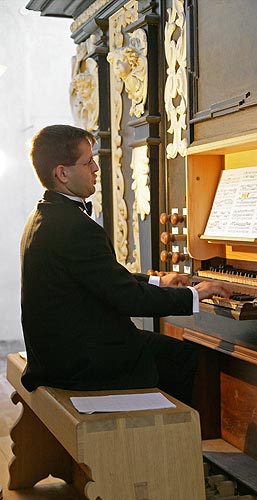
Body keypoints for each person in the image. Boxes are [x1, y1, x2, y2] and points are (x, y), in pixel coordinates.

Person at [20, 125, 231, 405]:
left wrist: (158, 281)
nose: (96, 168)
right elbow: (127, 298)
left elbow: (103, 278)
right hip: (79, 363)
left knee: (162, 349)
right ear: (62, 173)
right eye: (88, 162)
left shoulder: (44, 215)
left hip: (58, 353)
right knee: (183, 357)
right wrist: (195, 293)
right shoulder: (74, 227)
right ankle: (174, 443)